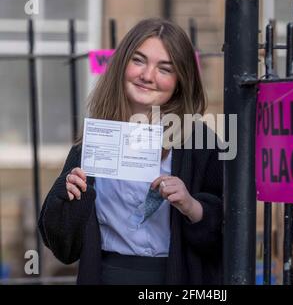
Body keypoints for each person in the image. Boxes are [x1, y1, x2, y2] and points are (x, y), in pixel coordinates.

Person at [38, 18, 223, 285]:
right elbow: (62, 247)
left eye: (165, 68)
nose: (147, 76)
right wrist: (67, 195)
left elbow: (232, 234)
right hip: (106, 276)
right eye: (138, 61)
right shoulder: (94, 141)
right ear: (122, 64)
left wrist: (192, 206)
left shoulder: (199, 141)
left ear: (180, 80)